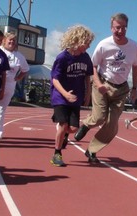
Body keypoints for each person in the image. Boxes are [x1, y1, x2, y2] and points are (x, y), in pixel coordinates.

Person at [74, 13, 137, 163]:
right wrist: (98, 84)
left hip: (121, 88)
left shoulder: (134, 47)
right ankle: (86, 124)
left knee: (111, 125)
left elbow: (136, 67)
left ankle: (92, 151)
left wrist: (135, 87)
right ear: (111, 28)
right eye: (117, 28)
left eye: (124, 28)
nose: (120, 31)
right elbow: (93, 66)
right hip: (103, 83)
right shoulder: (104, 45)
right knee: (99, 118)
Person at [50, 25, 94, 166]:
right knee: (63, 125)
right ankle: (57, 154)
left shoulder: (85, 57)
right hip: (60, 97)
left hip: (76, 97)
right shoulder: (62, 58)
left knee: (73, 129)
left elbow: (88, 76)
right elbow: (55, 79)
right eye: (87, 42)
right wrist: (64, 94)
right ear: (78, 40)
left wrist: (88, 94)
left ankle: (64, 135)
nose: (88, 46)